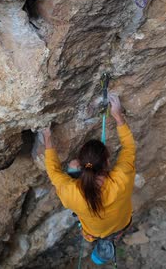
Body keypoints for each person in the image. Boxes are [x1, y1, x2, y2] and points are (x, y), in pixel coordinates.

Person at [35, 93, 136, 244]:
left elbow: (53, 172)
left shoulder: (72, 194)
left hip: (95, 232)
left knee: (70, 169)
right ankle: (114, 236)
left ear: (82, 165)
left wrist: (47, 137)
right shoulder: (122, 179)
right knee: (72, 172)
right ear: (107, 162)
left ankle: (107, 237)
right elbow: (129, 148)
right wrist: (118, 116)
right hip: (121, 223)